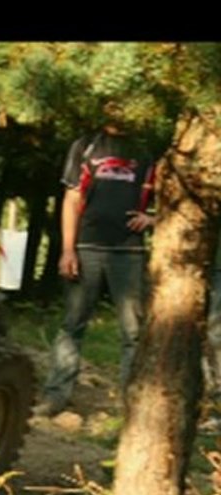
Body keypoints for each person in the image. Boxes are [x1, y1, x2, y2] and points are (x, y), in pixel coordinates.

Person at [37, 101, 157, 417]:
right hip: (86, 248)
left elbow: (174, 197)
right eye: (111, 102)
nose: (118, 109)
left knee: (133, 332)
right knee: (73, 324)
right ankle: (55, 397)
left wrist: (153, 218)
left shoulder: (147, 148)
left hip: (130, 252)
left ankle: (132, 407)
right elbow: (71, 198)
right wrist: (67, 249)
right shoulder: (85, 146)